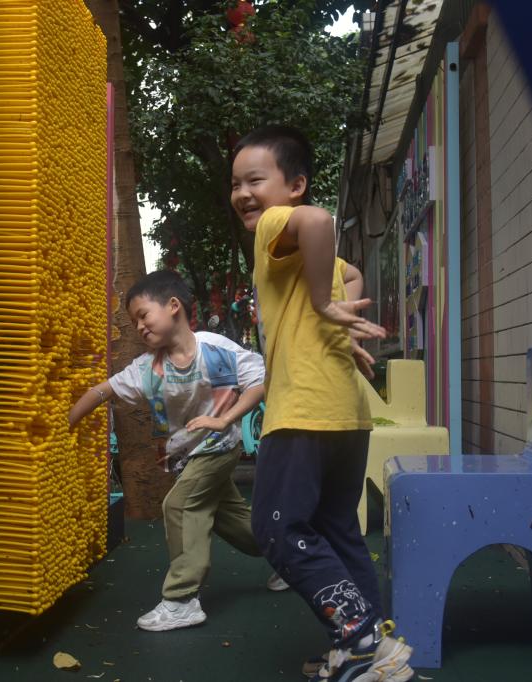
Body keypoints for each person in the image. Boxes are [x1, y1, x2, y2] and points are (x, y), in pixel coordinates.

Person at [231, 125, 414, 682]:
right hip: (347, 415)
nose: (242, 193)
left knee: (278, 529)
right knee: (337, 528)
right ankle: (377, 651)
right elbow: (351, 273)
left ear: (295, 185)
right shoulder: (323, 264)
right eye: (235, 183)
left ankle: (360, 641)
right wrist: (337, 314)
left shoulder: (276, 225)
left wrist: (318, 301)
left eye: (255, 180)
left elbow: (317, 220)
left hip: (302, 412)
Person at [69, 270, 268, 632]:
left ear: (173, 306)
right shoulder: (148, 368)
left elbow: (257, 382)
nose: (139, 326)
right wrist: (66, 421)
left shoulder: (215, 349)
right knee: (235, 523)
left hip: (219, 446)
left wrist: (225, 419)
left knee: (179, 505)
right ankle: (288, 555)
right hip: (187, 458)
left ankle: (182, 599)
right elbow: (103, 390)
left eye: (143, 315)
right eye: (134, 322)